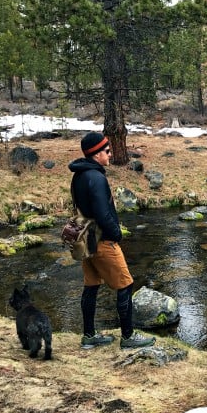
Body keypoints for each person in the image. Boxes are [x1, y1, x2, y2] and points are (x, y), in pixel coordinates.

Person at [68, 132, 155, 350]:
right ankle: (128, 337)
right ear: (97, 154)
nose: (110, 154)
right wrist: (116, 234)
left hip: (86, 240)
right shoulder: (96, 178)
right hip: (102, 240)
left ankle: (89, 335)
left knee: (91, 285)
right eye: (107, 151)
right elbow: (102, 213)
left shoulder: (79, 175)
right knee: (125, 284)